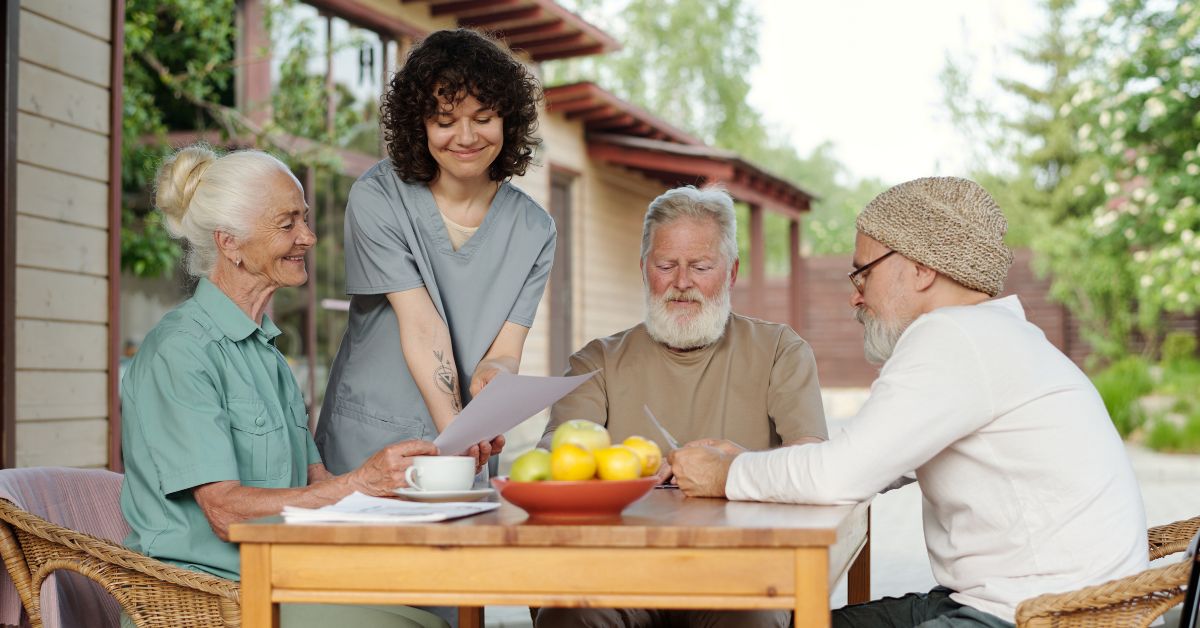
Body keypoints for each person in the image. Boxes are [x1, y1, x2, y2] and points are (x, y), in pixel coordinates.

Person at [669, 177, 1149, 628]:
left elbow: (842, 474)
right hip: (1035, 600)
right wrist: (752, 464)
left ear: (920, 267)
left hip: (1036, 615)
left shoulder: (953, 335)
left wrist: (723, 475)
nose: (856, 298)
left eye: (863, 275)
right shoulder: (993, 334)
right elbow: (874, 458)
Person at [119, 145, 498, 628]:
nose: (309, 236)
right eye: (287, 224)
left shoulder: (267, 356)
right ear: (229, 243)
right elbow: (225, 512)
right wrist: (361, 481)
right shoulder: (180, 352)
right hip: (201, 600)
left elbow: (320, 489)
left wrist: (417, 477)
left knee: (432, 614)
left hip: (277, 582)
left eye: (305, 219)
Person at [534, 186, 827, 628]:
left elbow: (812, 459)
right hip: (615, 571)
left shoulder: (780, 350)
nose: (682, 283)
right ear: (644, 270)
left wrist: (734, 469)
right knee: (568, 615)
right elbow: (555, 457)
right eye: (665, 265)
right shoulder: (596, 360)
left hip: (739, 572)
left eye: (701, 267)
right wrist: (614, 476)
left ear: (731, 273)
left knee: (750, 620)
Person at [315, 28, 552, 478]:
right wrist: (460, 435)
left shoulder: (534, 231)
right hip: (372, 445)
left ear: (508, 120)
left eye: (483, 117)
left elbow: (505, 351)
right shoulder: (378, 199)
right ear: (419, 126)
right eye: (445, 121)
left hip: (468, 447)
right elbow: (422, 327)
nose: (465, 137)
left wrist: (494, 379)